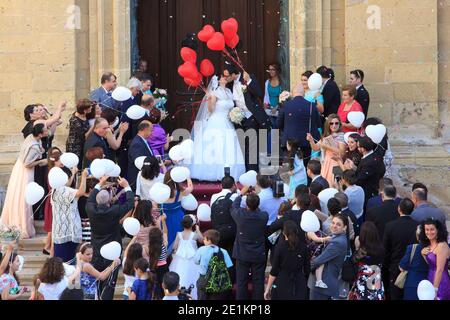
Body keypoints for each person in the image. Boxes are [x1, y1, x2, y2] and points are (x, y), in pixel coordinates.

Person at [86, 176, 135, 300]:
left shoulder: (90, 209)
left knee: (96, 280)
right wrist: (127, 186)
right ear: (109, 201)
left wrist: (99, 184)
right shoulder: (114, 210)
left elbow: (90, 199)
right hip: (112, 252)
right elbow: (130, 204)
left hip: (95, 251)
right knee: (109, 284)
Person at [189, 74, 246, 181]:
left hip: (227, 121)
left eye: (226, 77)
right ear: (219, 81)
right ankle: (212, 172)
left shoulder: (229, 92)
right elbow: (210, 110)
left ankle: (230, 173)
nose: (225, 78)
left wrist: (234, 114)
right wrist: (210, 99)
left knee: (228, 146)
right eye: (223, 77)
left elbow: (231, 106)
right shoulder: (215, 93)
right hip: (216, 121)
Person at [1, 123, 48, 239]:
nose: (48, 130)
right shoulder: (33, 146)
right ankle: (22, 225)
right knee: (23, 197)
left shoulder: (31, 137)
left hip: (19, 169)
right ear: (41, 133)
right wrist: (41, 162)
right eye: (46, 129)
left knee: (18, 194)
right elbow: (27, 163)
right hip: (25, 172)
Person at [224, 65, 271, 172]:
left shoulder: (248, 78)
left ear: (234, 74)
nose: (225, 78)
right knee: (242, 146)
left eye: (227, 76)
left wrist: (249, 81)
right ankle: (244, 171)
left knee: (253, 147)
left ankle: (252, 172)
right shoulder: (230, 85)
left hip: (252, 117)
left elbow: (259, 93)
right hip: (238, 119)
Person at [231, 187, 269, 300]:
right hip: (258, 253)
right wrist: (254, 199)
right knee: (258, 282)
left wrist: (240, 194)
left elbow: (233, 206)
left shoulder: (240, 215)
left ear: (246, 205)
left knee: (241, 282)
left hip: (242, 253)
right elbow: (257, 210)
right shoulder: (263, 216)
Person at [43, 147, 78, 256]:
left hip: (56, 200)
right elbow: (64, 187)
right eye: (61, 160)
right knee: (53, 228)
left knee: (53, 228)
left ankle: (48, 248)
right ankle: (49, 250)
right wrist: (73, 174)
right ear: (55, 161)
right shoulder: (53, 172)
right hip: (55, 202)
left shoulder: (56, 170)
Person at [383, 198, 419, 300]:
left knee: (395, 295)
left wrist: (387, 266)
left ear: (399, 209)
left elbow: (386, 249)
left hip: (395, 266)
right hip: (412, 267)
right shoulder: (417, 226)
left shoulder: (390, 226)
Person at [278, 84, 322, 167]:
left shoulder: (285, 105)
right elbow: (318, 124)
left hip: (289, 143)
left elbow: (278, 124)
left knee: (289, 168)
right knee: (305, 168)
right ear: (304, 93)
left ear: (292, 93)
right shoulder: (312, 106)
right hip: (306, 143)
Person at [264, 220, 310, 300]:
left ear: (284, 232)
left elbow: (274, 271)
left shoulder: (280, 247)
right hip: (299, 282)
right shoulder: (303, 247)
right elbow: (307, 269)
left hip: (282, 282)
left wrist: (268, 288)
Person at [308, 214, 349, 300]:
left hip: (323, 285)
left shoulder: (338, 242)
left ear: (344, 227)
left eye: (338, 224)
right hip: (324, 283)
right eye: (333, 223)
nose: (334, 226)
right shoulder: (336, 237)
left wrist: (307, 266)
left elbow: (319, 261)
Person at [51, 169, 87, 262]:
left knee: (62, 263)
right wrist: (84, 177)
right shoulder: (63, 190)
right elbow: (81, 192)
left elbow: (67, 185)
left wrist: (73, 174)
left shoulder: (55, 189)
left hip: (60, 232)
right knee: (68, 263)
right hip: (68, 232)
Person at [348, 221, 385, 300]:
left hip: (363, 285)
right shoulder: (381, 249)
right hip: (376, 283)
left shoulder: (362, 251)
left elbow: (352, 261)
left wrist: (357, 247)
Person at [169, 215, 203, 300]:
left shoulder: (179, 234)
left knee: (180, 275)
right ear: (192, 225)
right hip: (192, 261)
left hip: (180, 260)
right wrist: (198, 230)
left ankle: (179, 294)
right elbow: (202, 240)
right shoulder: (194, 235)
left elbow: (174, 247)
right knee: (194, 276)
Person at [307, 114, 346, 186]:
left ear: (339, 124)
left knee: (335, 186)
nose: (334, 125)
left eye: (336, 123)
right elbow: (315, 148)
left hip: (336, 163)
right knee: (324, 185)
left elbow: (341, 152)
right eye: (331, 123)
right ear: (328, 124)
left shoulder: (341, 135)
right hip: (325, 162)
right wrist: (311, 140)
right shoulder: (326, 135)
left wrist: (327, 146)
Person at [195, 229, 233, 300]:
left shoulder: (201, 250)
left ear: (209, 240)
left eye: (204, 239)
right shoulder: (223, 251)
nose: (203, 241)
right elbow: (229, 266)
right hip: (218, 280)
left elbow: (196, 261)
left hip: (203, 279)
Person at [161, 170, 194, 251]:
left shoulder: (161, 192)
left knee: (166, 237)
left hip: (165, 219)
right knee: (178, 239)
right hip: (178, 218)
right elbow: (191, 187)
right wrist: (187, 177)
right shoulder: (180, 192)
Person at [419, 218, 450, 300]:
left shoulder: (442, 245)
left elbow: (439, 269)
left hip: (441, 281)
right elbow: (431, 264)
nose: (429, 232)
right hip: (430, 278)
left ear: (438, 230)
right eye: (427, 230)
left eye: (432, 229)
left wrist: (435, 289)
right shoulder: (429, 245)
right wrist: (423, 254)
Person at [210, 175, 238, 256]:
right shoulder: (235, 196)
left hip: (217, 229)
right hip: (232, 230)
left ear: (221, 185)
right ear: (234, 185)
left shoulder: (214, 196)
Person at [399, 227, 428, 300]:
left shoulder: (411, 248)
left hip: (412, 283)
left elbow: (402, 267)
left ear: (417, 236)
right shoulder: (433, 248)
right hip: (428, 282)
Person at [355, 135, 386, 204]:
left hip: (367, 192)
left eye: (358, 147)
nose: (357, 149)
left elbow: (359, 180)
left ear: (363, 149)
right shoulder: (377, 155)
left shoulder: (369, 162)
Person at [65, 99, 95, 170]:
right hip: (75, 146)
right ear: (84, 110)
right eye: (90, 107)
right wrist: (93, 126)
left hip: (82, 144)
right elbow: (84, 136)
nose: (91, 108)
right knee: (76, 166)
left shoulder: (85, 114)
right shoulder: (74, 120)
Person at [127, 120, 154, 191]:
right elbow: (139, 163)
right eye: (151, 130)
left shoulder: (143, 141)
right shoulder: (137, 144)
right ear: (145, 130)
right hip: (138, 181)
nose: (152, 133)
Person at [147, 218, 169, 300]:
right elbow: (165, 232)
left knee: (154, 289)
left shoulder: (148, 247)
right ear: (160, 236)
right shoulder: (164, 244)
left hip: (153, 268)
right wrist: (163, 221)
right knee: (165, 288)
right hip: (164, 268)